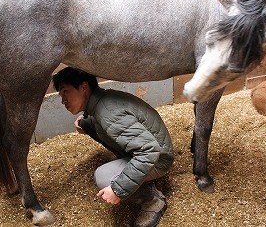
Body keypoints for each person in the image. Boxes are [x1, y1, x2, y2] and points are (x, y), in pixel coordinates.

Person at [53, 67, 175, 227]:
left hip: (158, 159)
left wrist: (119, 189)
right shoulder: (103, 102)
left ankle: (152, 201)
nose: (63, 101)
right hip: (153, 150)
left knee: (103, 177)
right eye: (61, 95)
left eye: (65, 92)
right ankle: (140, 179)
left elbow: (149, 150)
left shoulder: (108, 113)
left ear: (83, 87)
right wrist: (87, 124)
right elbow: (116, 127)